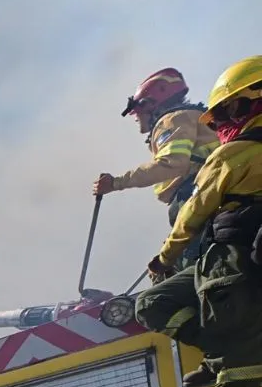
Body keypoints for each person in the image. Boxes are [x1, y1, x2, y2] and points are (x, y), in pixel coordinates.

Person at [134, 56, 262, 387]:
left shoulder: (232, 154)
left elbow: (192, 212)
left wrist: (163, 260)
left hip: (232, 254)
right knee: (159, 303)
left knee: (229, 319)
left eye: (225, 110)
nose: (219, 120)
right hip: (239, 248)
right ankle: (215, 356)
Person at [93, 67, 219, 253]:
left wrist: (116, 182)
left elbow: (172, 163)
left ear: (149, 104)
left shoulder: (171, 120)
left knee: (192, 261)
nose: (135, 117)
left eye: (136, 111)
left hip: (197, 194)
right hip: (212, 193)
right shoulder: (193, 117)